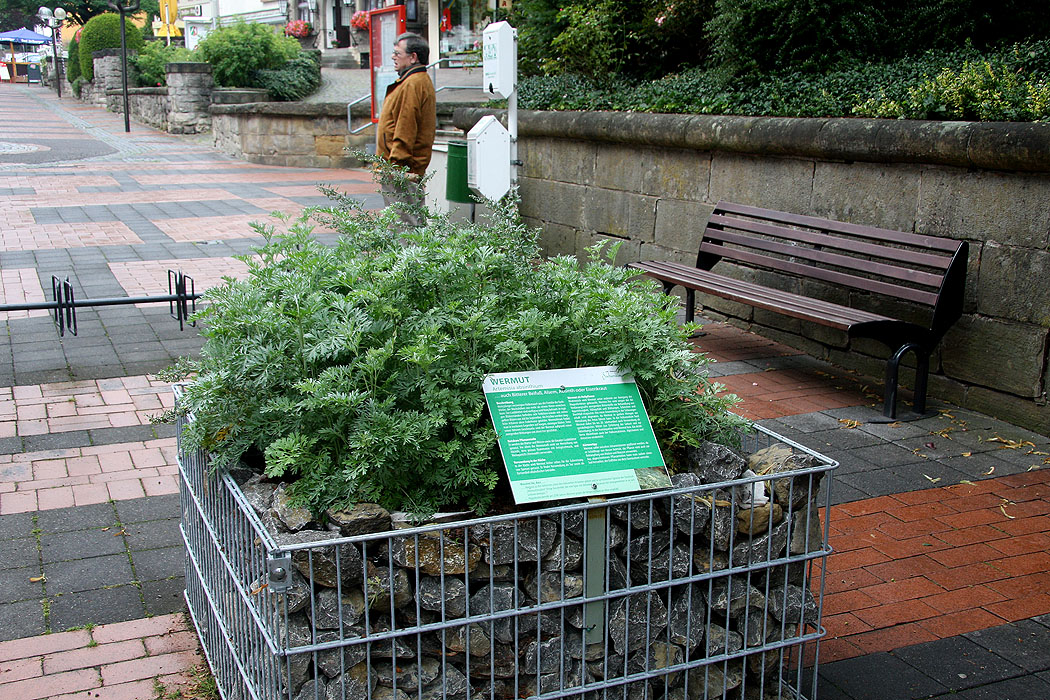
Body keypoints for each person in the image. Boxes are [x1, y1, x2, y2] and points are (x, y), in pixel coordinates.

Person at [376, 32, 436, 227]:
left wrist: (395, 166)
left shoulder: (413, 83)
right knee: (406, 222)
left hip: (402, 169)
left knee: (404, 226)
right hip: (403, 167)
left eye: (397, 53)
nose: (393, 57)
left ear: (413, 57)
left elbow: (406, 126)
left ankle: (408, 258)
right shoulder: (413, 81)